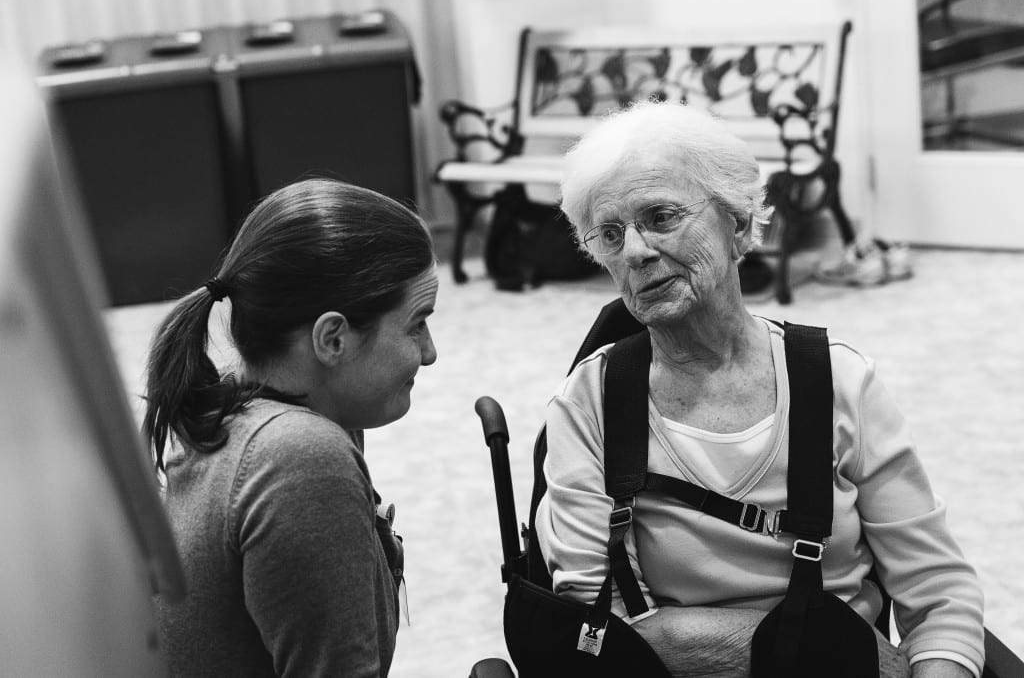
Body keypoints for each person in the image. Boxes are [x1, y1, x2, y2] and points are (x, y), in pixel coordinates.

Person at [534, 102, 985, 677]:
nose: (636, 252)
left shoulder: (839, 384)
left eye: (662, 216)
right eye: (611, 235)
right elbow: (598, 630)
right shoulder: (588, 404)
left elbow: (940, 596)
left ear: (739, 223)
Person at [145, 178, 438, 677]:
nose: (429, 352)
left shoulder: (239, 411)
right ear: (332, 339)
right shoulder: (299, 457)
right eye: (417, 323)